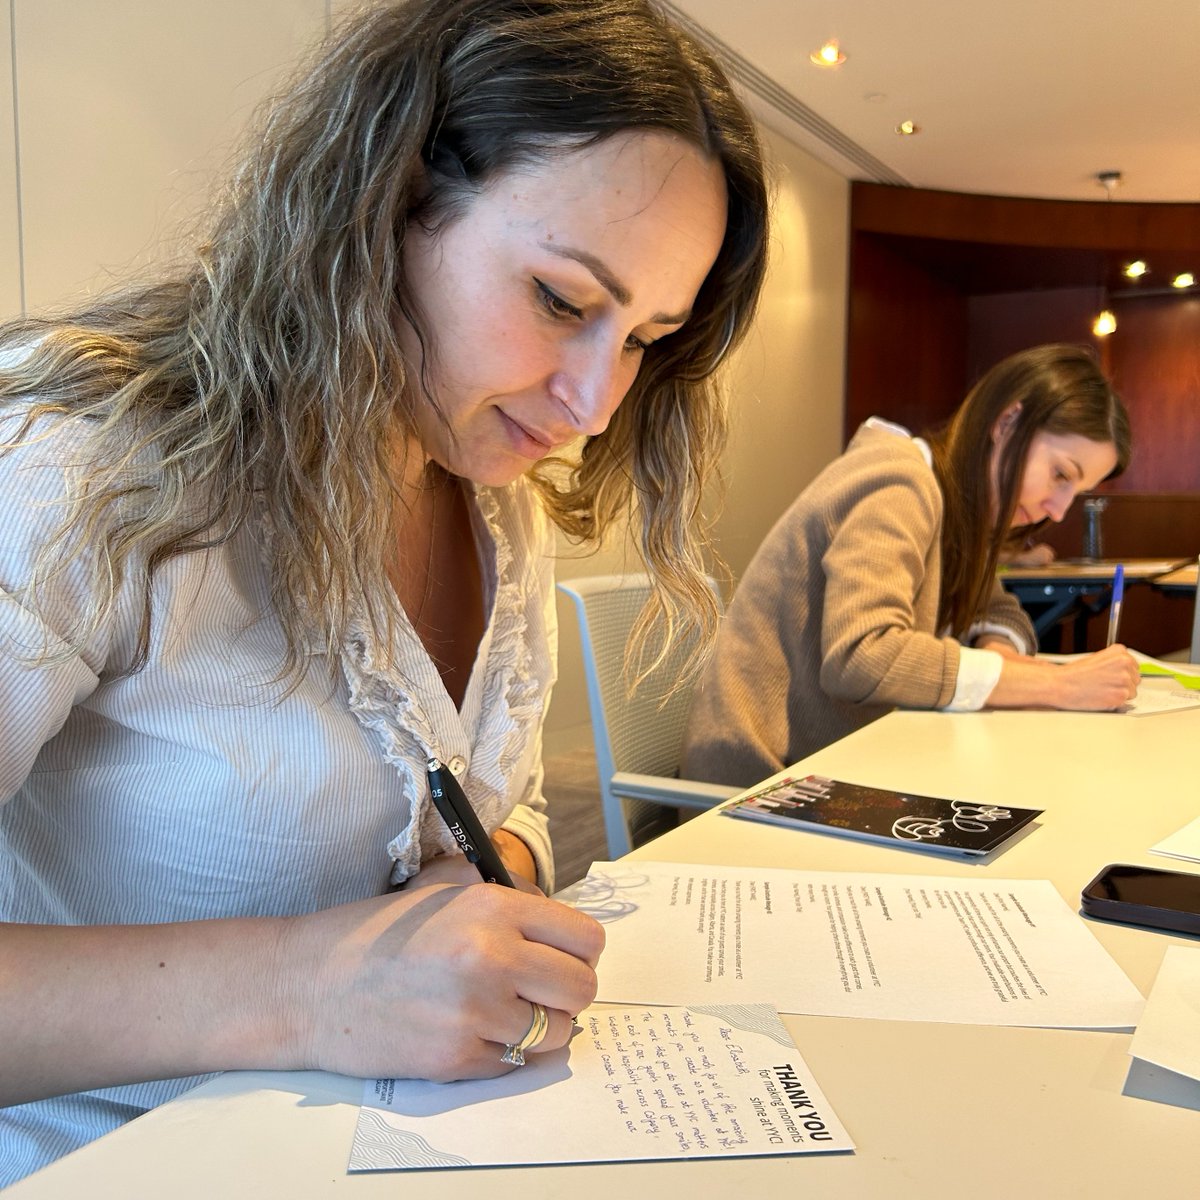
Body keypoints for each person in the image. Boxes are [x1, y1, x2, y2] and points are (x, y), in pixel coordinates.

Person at [0, 0, 769, 1181]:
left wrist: (491, 874)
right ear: (383, 208)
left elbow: (457, 827)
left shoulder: (496, 499)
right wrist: (311, 989)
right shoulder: (77, 461)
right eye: (563, 301)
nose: (596, 404)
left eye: (648, 338)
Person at [682, 344, 1138, 788]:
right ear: (1008, 421)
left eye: (1074, 493)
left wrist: (999, 652)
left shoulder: (958, 508)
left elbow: (998, 609)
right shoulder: (901, 481)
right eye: (1061, 474)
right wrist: (1055, 686)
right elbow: (862, 655)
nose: (1059, 511)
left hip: (840, 767)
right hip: (762, 786)